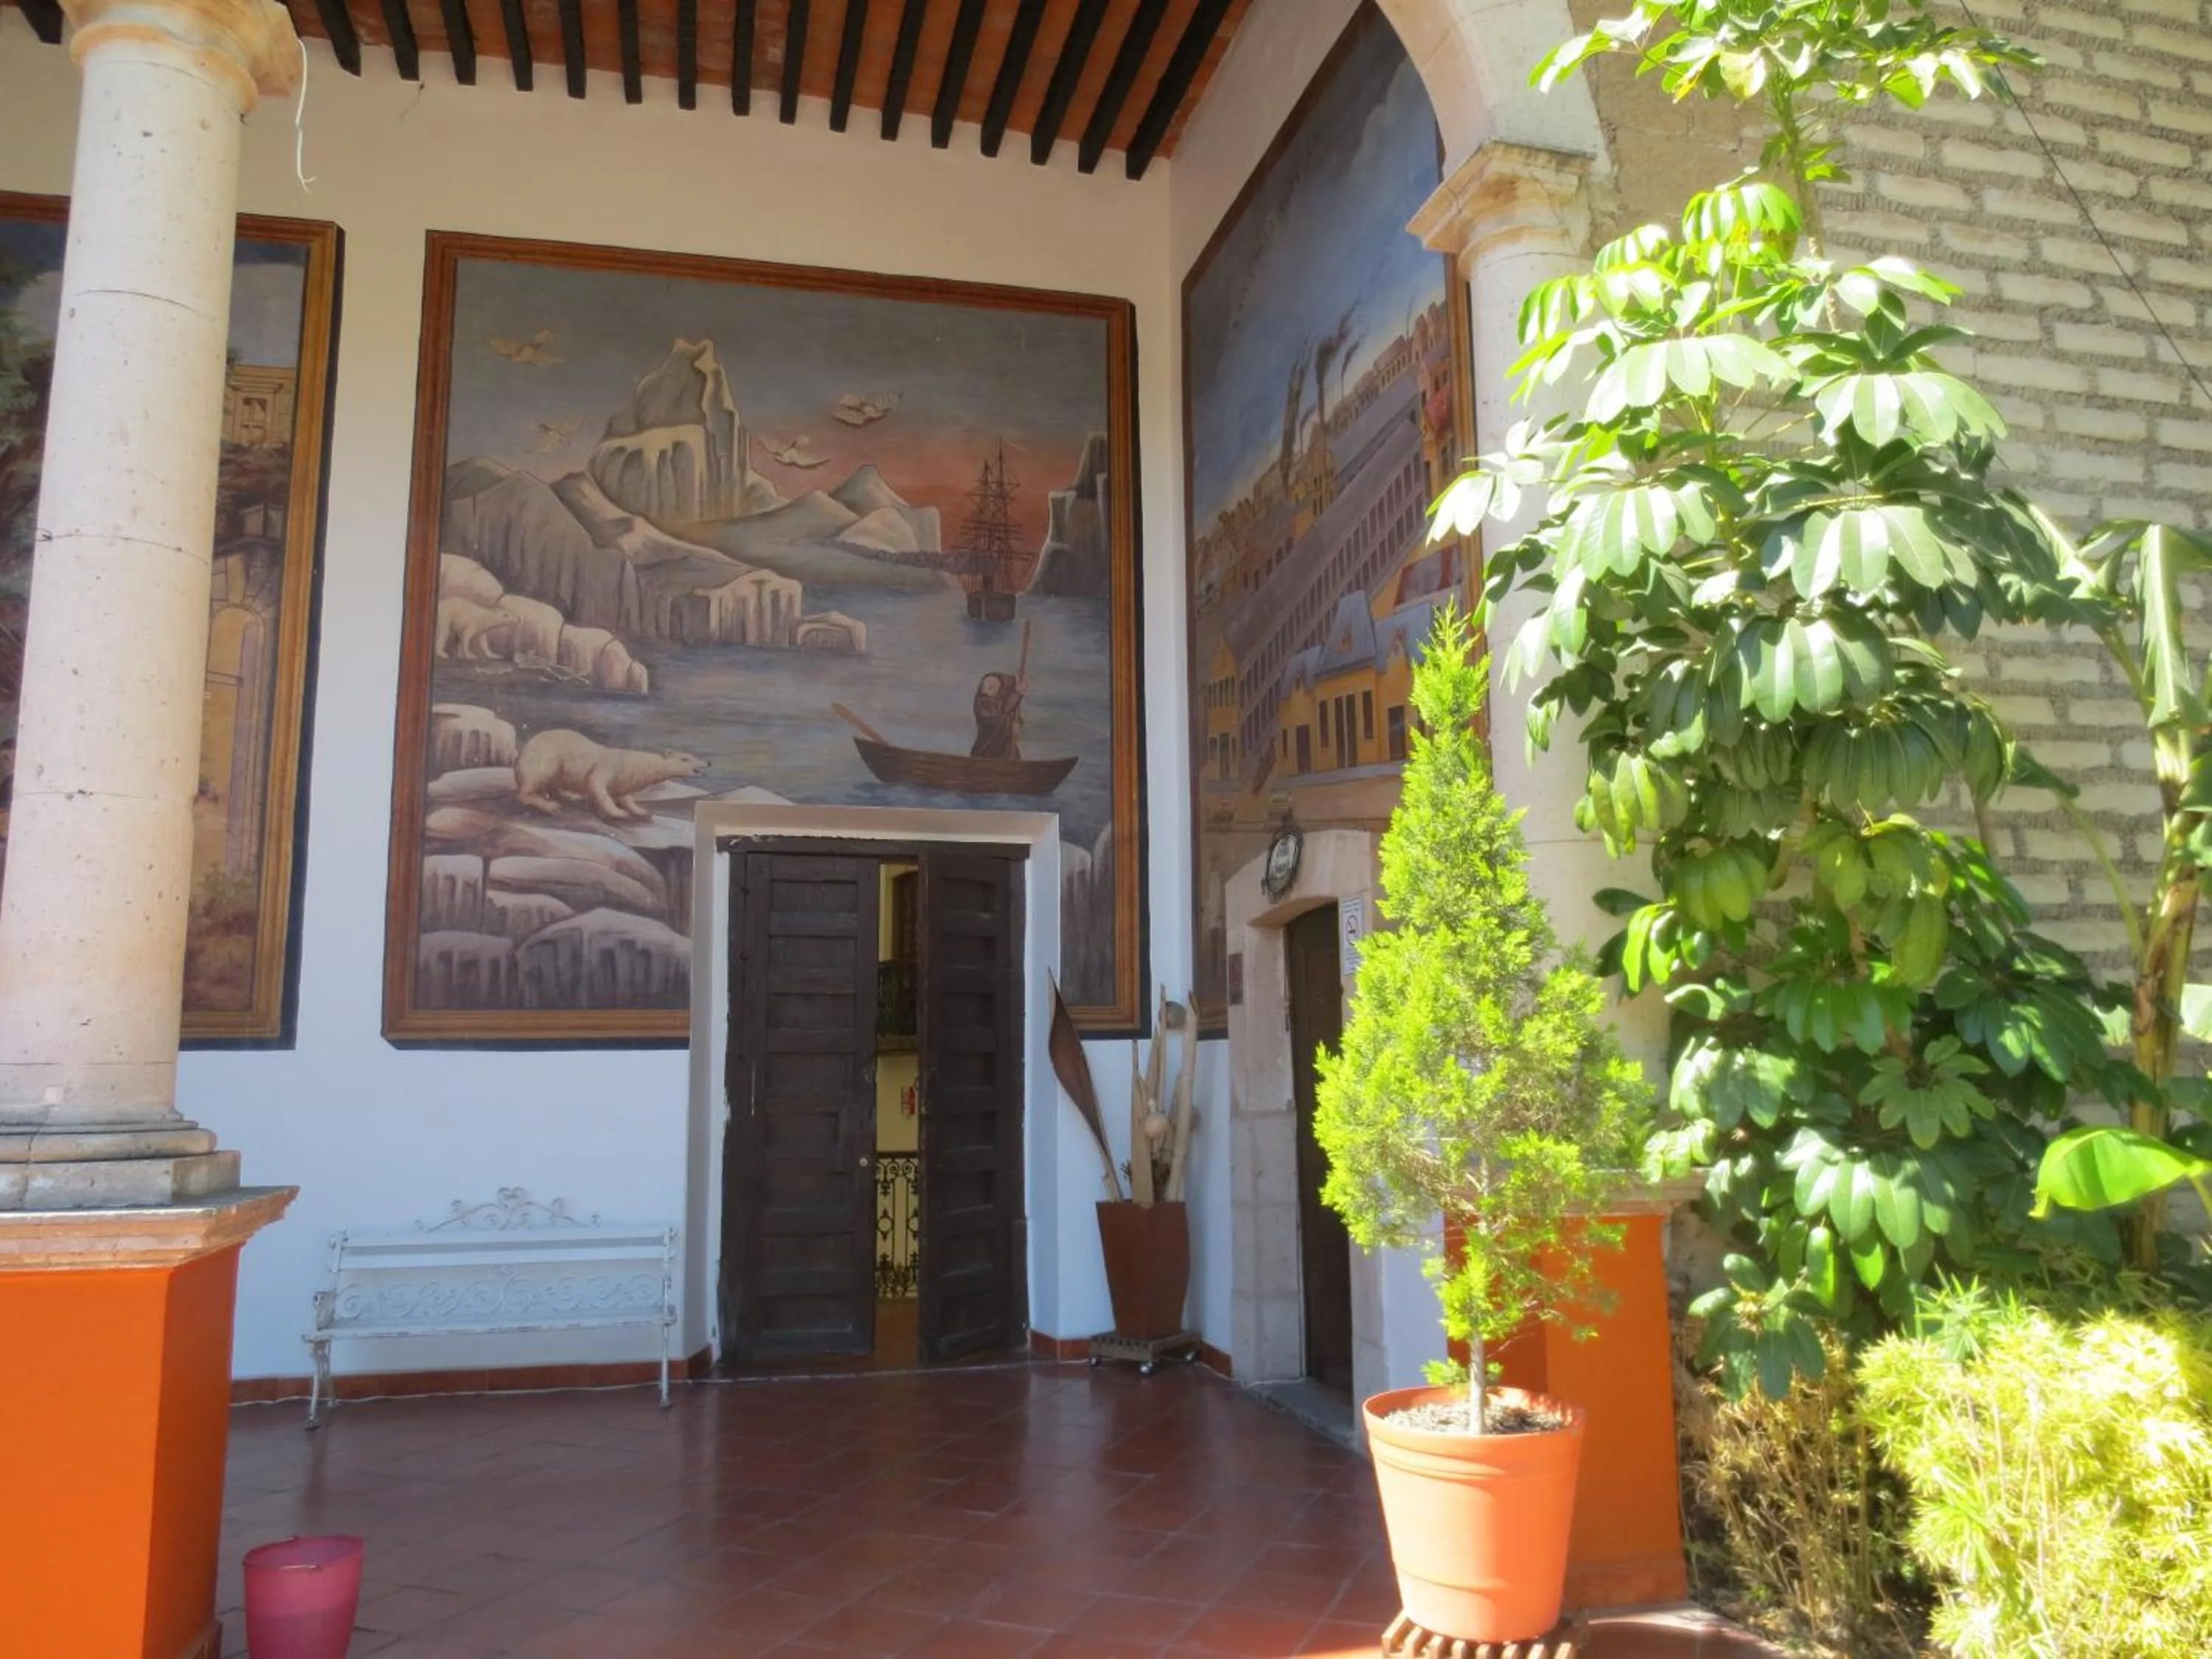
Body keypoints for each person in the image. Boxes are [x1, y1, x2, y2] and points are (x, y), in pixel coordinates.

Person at [970, 669, 1026, 759]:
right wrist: (1018, 693)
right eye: (983, 687)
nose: (984, 691)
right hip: (987, 750)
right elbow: (1001, 710)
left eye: (991, 688)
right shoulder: (982, 703)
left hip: (1006, 750)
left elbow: (1009, 714)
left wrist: (1016, 725)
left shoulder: (1005, 706)